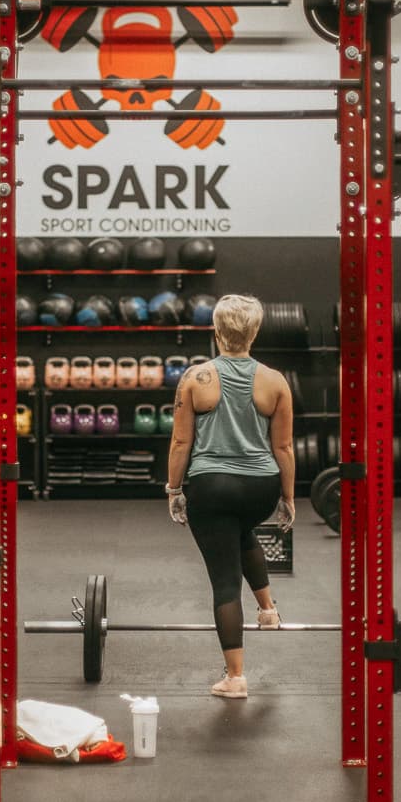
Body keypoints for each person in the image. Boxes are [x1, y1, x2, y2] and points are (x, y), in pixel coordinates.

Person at [165, 295, 294, 699]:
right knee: (240, 532)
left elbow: (181, 442)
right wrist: (288, 497)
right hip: (261, 489)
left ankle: (235, 678)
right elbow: (284, 447)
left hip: (212, 488)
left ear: (217, 331)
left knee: (224, 581)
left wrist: (174, 489)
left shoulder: (195, 378)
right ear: (254, 332)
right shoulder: (275, 381)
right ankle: (268, 610)